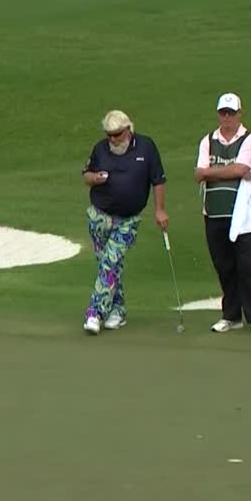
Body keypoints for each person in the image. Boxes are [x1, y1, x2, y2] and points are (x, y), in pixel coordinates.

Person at [79, 110, 169, 335]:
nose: (113, 139)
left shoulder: (146, 147)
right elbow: (86, 175)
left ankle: (95, 313)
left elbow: (158, 180)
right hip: (99, 217)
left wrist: (159, 210)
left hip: (128, 220)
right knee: (108, 266)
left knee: (110, 262)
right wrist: (95, 178)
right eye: (109, 135)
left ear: (128, 130)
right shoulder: (100, 149)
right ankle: (117, 311)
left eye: (117, 134)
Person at [195, 92, 251, 337]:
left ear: (239, 114)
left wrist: (213, 172)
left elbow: (241, 170)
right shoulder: (208, 140)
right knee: (225, 267)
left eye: (231, 113)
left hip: (242, 216)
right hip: (213, 213)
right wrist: (227, 171)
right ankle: (231, 315)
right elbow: (199, 173)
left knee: (248, 267)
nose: (227, 118)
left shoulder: (250, 140)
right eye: (223, 113)